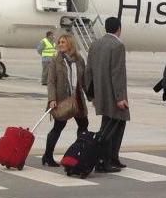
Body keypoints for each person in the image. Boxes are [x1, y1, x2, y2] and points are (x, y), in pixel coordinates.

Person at [84, 17, 128, 173]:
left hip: (100, 94)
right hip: (114, 96)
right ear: (119, 29)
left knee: (116, 124)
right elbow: (117, 73)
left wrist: (92, 95)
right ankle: (104, 161)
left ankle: (113, 158)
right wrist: (120, 98)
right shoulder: (118, 45)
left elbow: (88, 71)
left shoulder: (95, 44)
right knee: (110, 128)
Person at [42, 34, 89, 166]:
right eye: (59, 42)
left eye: (63, 42)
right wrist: (52, 99)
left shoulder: (79, 60)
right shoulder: (55, 60)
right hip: (62, 99)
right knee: (58, 127)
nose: (60, 44)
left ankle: (79, 154)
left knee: (83, 125)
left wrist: (91, 96)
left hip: (77, 98)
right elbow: (51, 82)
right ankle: (48, 156)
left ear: (70, 44)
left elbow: (83, 80)